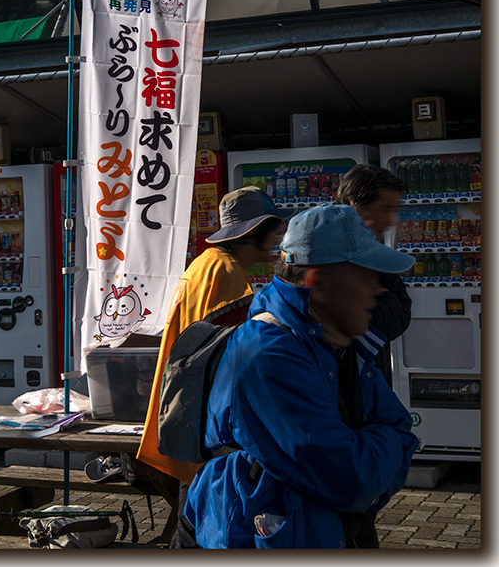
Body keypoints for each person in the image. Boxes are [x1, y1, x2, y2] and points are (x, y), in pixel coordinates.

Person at [179, 204, 418, 549]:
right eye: (366, 277)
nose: (377, 291)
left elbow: (402, 430)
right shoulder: (265, 355)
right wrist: (372, 466)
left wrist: (367, 471)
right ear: (318, 284)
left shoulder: (333, 337)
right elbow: (352, 478)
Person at [136, 187, 292, 531]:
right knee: (205, 523)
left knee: (189, 518)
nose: (278, 237)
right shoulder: (227, 275)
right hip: (205, 422)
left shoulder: (205, 264)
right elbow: (238, 360)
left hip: (181, 409)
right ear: (255, 231)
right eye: (274, 228)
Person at [335, 164, 412, 385]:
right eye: (385, 209)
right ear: (354, 205)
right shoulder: (321, 253)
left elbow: (401, 315)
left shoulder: (377, 256)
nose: (390, 221)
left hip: (371, 380)